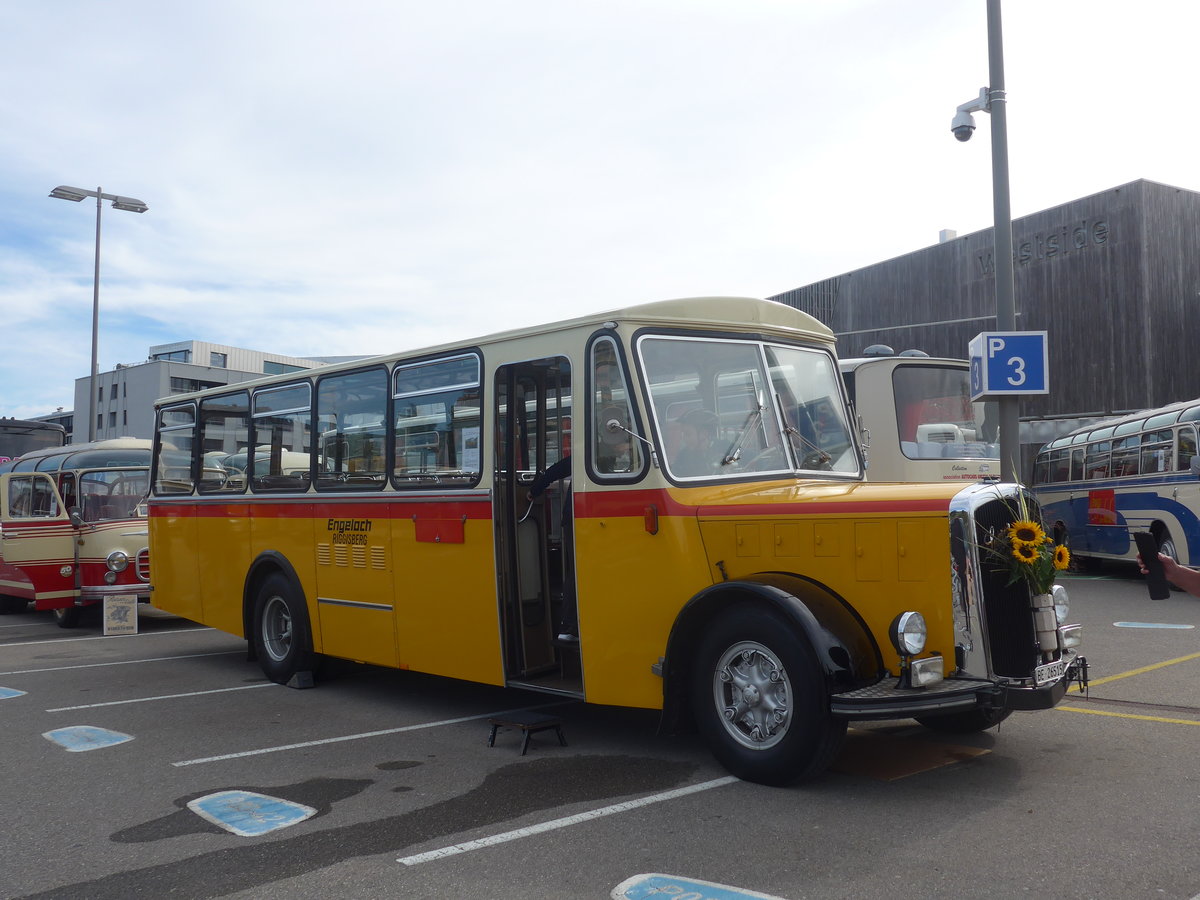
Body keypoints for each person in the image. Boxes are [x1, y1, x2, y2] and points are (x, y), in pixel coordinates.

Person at [526, 455, 577, 643]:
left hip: (582, 517)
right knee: (578, 571)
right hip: (578, 518)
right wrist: (535, 490)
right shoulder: (591, 451)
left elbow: (554, 471)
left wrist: (534, 490)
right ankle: (569, 626)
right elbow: (555, 471)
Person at [668, 408, 721, 477]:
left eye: (688, 434)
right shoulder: (682, 457)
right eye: (682, 434)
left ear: (704, 433)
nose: (684, 439)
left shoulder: (725, 447)